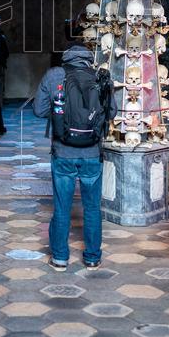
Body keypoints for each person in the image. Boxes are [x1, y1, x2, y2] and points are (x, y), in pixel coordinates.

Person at [33, 43, 116, 271]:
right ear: (89, 59)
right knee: (92, 208)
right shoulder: (100, 77)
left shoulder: (54, 75)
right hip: (92, 153)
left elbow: (38, 111)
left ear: (66, 58)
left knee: (61, 207)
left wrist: (61, 114)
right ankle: (92, 258)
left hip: (62, 152)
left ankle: (60, 258)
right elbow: (112, 113)